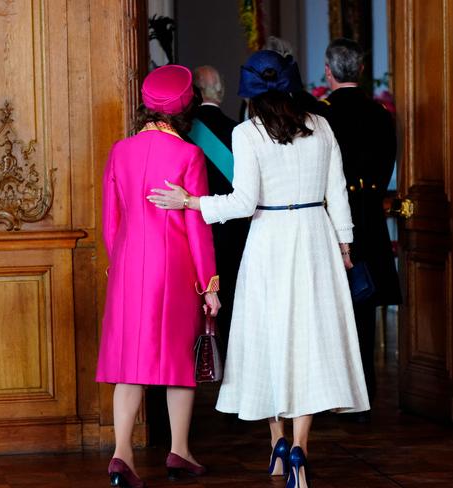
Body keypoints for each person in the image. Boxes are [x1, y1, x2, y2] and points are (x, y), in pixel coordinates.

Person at [148, 50, 369, 488]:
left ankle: (276, 445)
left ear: (250, 92)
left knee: (271, 341)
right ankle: (299, 450)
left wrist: (190, 202)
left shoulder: (248, 133)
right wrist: (345, 244)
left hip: (269, 239)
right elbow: (338, 194)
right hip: (315, 238)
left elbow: (243, 203)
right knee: (310, 343)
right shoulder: (321, 126)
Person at [96, 65, 221, 488]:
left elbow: (110, 222)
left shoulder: (120, 150)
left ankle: (121, 455)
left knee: (130, 362)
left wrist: (122, 263)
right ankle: (179, 451)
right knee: (177, 361)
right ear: (185, 108)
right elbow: (196, 226)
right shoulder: (189, 155)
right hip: (175, 265)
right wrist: (209, 284)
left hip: (129, 266)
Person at [323, 38, 402, 407]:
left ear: (328, 71)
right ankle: (363, 395)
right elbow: (386, 168)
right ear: (361, 70)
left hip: (329, 219)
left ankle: (331, 393)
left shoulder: (321, 115)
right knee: (364, 307)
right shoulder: (381, 114)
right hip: (368, 215)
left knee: (327, 309)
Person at [191, 65, 250, 360]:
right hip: (233, 229)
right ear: (221, 92)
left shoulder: (184, 132)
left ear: (195, 92)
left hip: (195, 225)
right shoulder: (239, 131)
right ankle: (230, 361)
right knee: (231, 298)